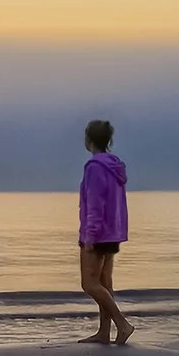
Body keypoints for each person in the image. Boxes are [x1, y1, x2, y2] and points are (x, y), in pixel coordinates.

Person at [75, 119, 134, 344]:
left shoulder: (94, 167)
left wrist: (90, 235)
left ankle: (122, 323)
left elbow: (95, 203)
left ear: (89, 139)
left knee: (89, 284)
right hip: (112, 232)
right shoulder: (114, 166)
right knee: (105, 283)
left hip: (98, 234)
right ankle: (103, 333)